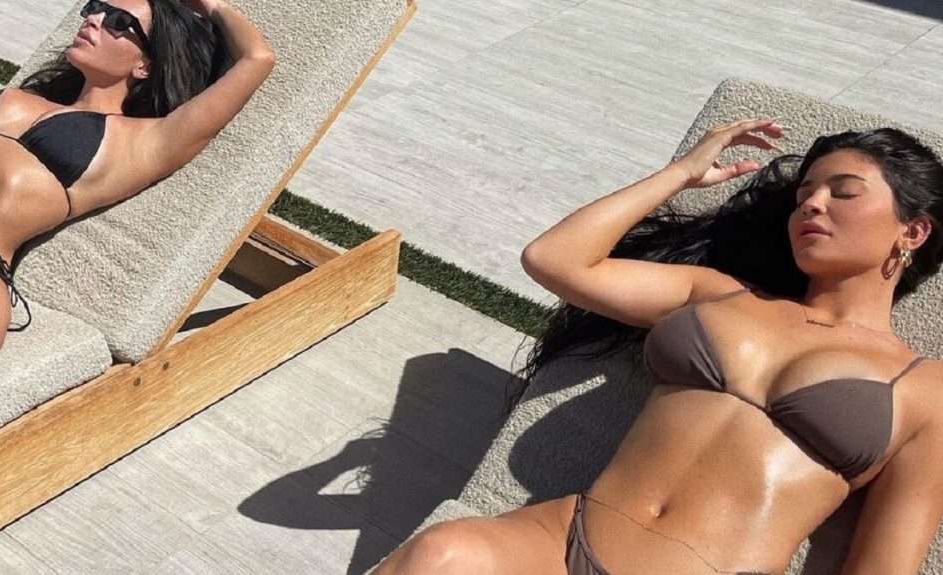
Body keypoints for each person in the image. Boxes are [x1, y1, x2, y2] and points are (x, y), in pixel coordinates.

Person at [374, 119, 943, 574]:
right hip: (563, 540)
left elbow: (883, 566)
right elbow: (554, 260)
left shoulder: (926, 390)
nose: (812, 204)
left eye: (843, 192)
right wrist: (681, 173)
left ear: (912, 231)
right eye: (804, 194)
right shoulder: (718, 293)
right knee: (441, 553)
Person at [0, 0, 274, 381]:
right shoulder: (32, 97)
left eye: (119, 21)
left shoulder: (140, 142)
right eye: (96, 7)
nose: (95, 19)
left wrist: (210, 5)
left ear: (144, 66)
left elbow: (257, 59)